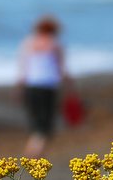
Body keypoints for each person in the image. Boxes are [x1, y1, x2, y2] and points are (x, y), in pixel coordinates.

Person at [16, 15, 72, 158]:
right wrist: (69, 88)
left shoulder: (28, 43)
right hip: (48, 87)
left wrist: (19, 88)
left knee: (36, 122)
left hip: (31, 86)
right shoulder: (55, 45)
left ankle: (32, 153)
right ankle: (34, 155)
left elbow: (23, 68)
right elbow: (61, 69)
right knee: (45, 124)